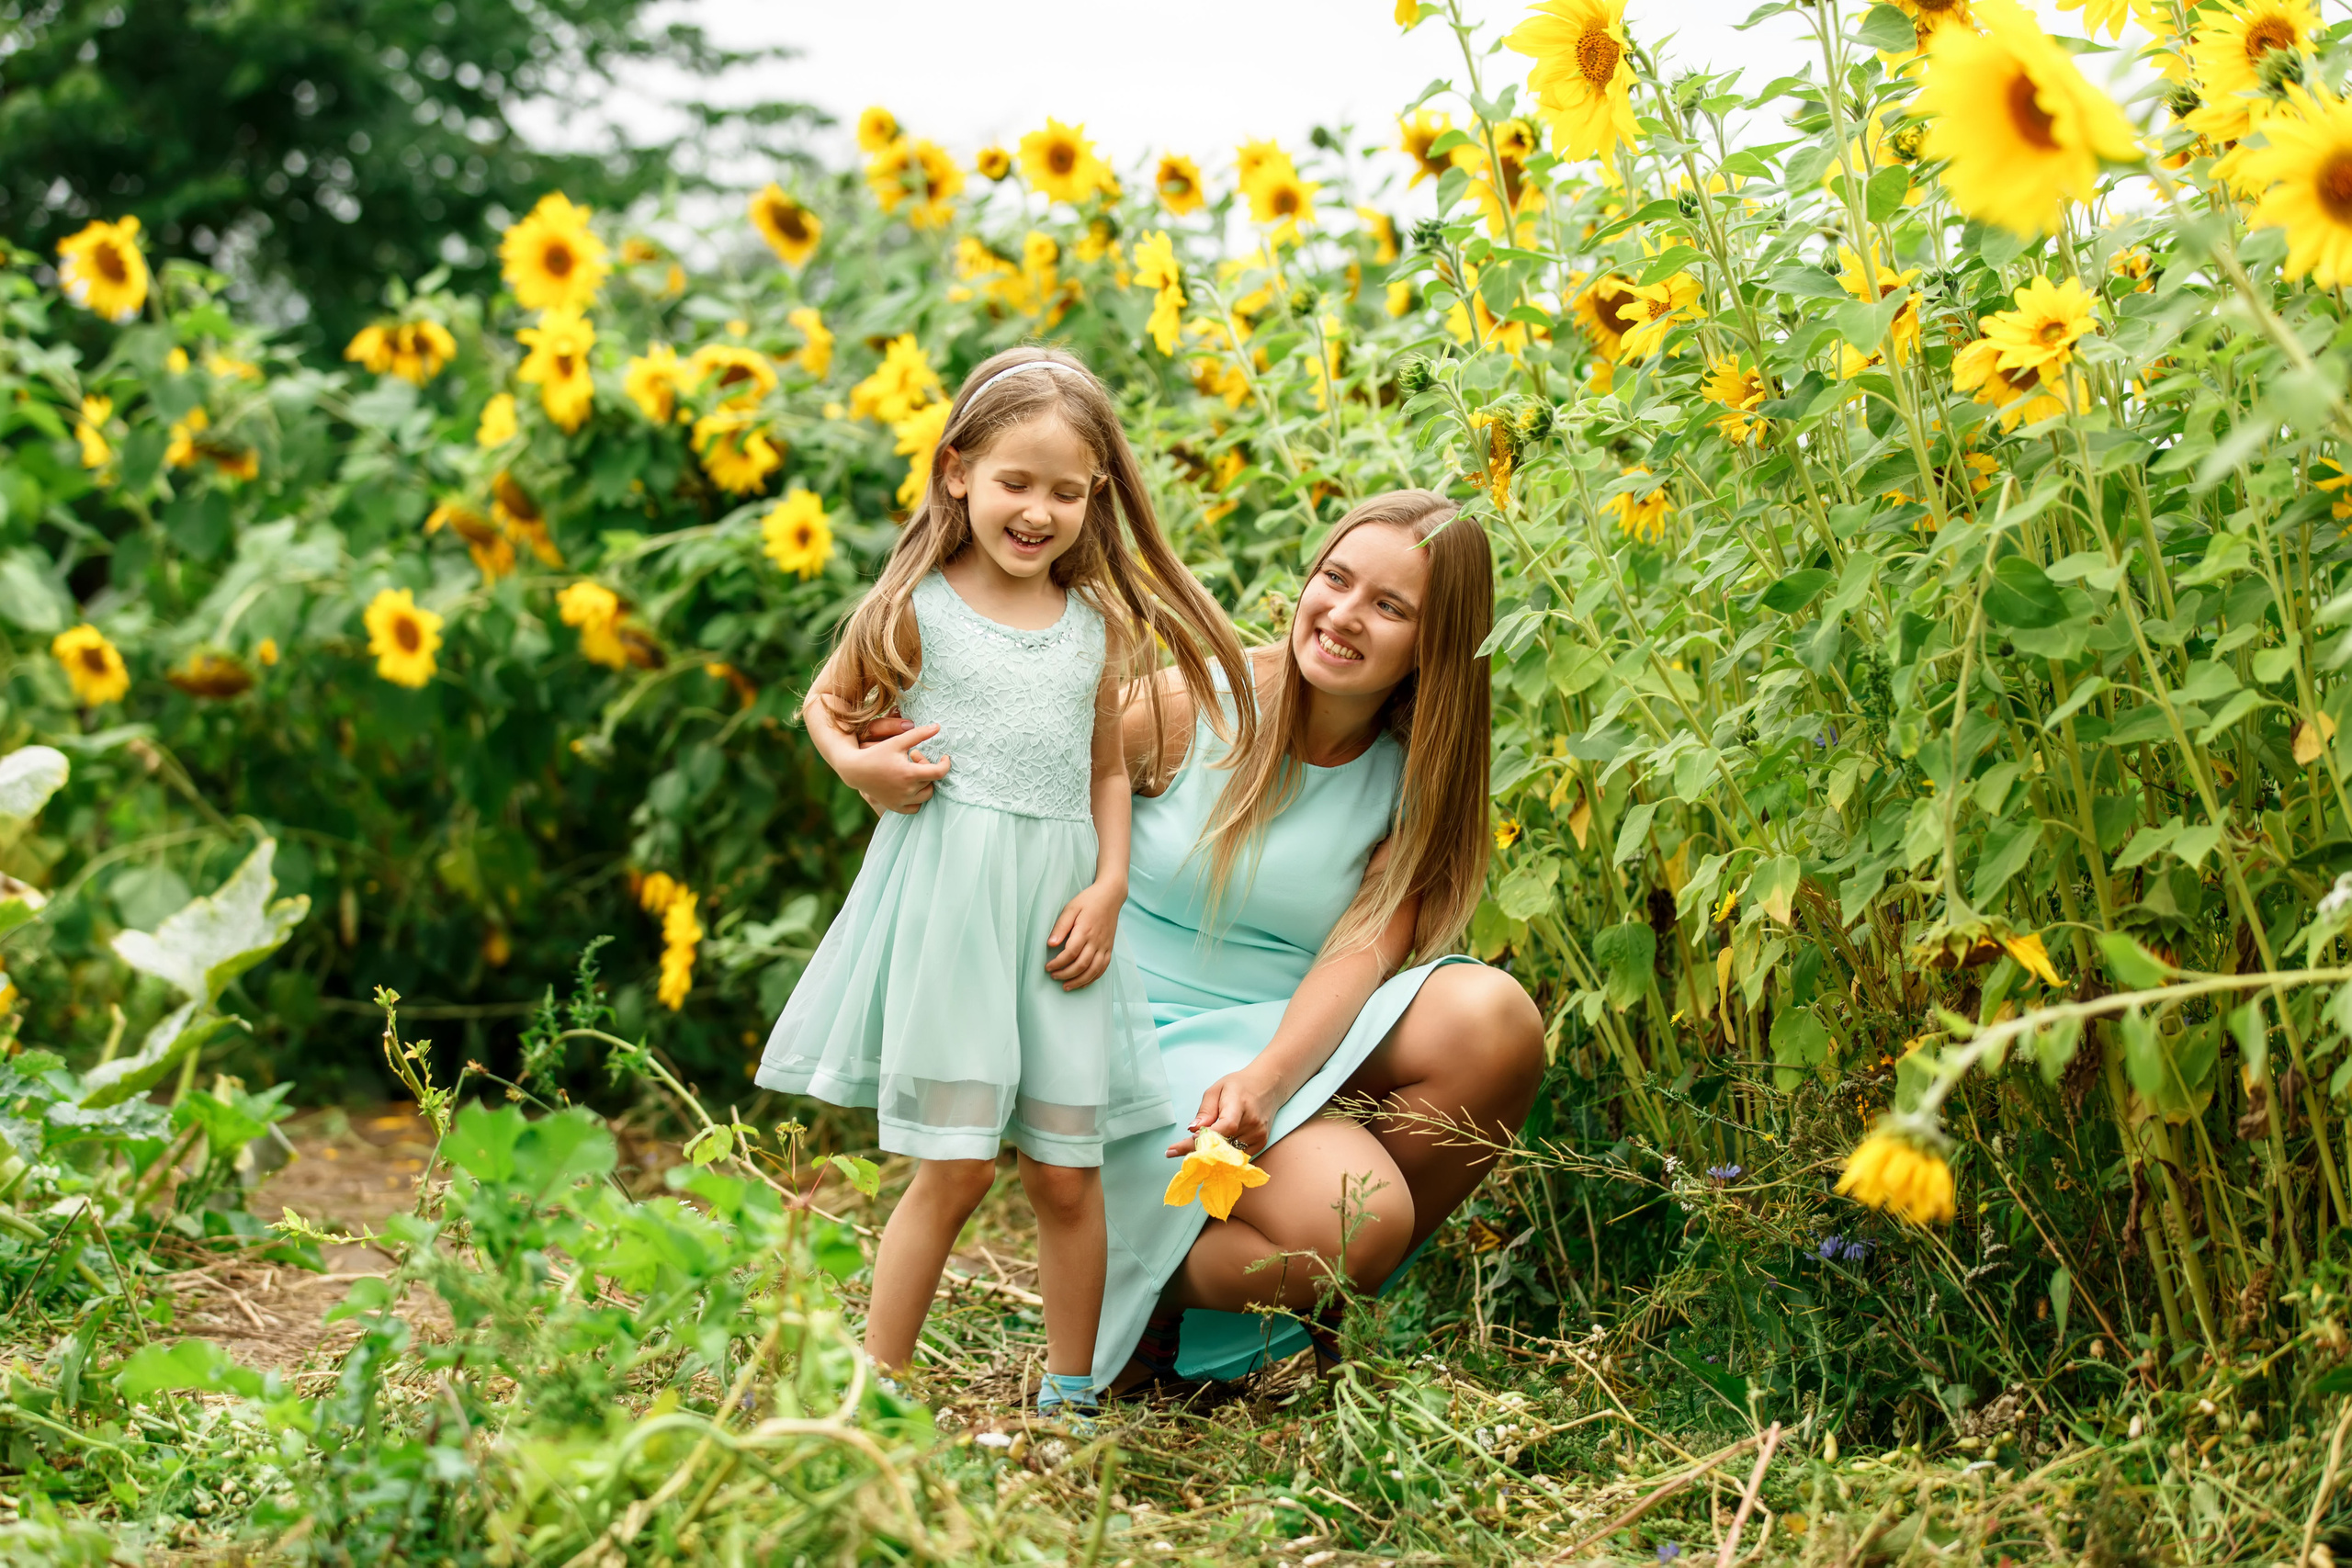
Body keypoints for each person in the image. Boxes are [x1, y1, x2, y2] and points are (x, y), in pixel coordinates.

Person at [755, 345, 1257, 1426]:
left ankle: (1070, 1397)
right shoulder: (915, 610)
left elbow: (1107, 771)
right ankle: (874, 1394)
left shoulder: (1096, 629)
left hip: (1060, 922)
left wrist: (1112, 883)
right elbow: (826, 705)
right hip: (953, 913)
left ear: (1095, 499)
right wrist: (863, 772)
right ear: (956, 475)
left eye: (1065, 492)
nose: (1036, 511)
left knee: (1065, 1174)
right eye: (1014, 483)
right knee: (955, 1170)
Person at [1092, 488, 1546, 1388]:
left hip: (1277, 1038)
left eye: (1389, 607)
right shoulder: (1196, 705)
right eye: (1335, 580)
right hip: (1122, 1030)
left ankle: (1239, 1301)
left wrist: (1266, 1080)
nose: (1343, 616)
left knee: (1492, 1021)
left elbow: (1360, 953)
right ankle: (1121, 1277)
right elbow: (1020, 809)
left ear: (1433, 646)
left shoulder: (1410, 777)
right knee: (1358, 1222)